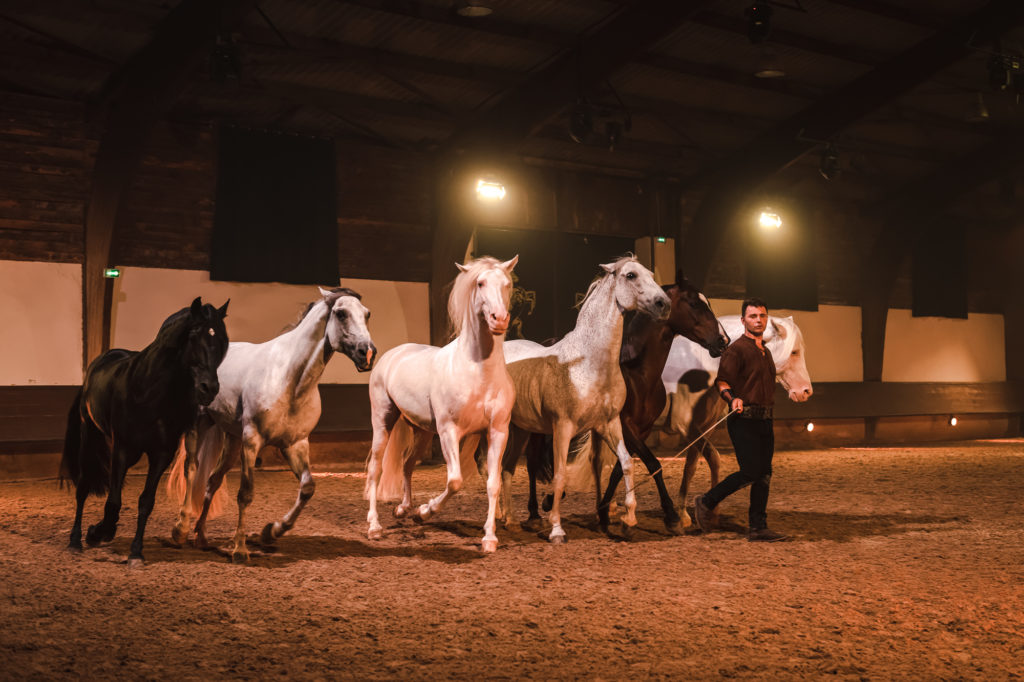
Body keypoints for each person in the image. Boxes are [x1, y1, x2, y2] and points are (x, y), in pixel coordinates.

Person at [693, 297, 789, 542]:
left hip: (765, 421)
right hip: (743, 419)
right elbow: (722, 381)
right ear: (743, 320)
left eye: (762, 316)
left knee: (764, 474)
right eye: (753, 316)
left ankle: (758, 527)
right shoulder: (736, 350)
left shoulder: (765, 352)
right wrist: (731, 398)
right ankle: (706, 501)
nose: (758, 320)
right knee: (751, 471)